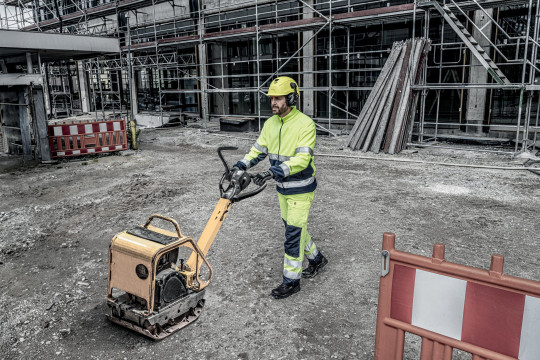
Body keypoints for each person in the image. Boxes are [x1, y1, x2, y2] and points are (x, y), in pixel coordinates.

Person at [233, 76, 328, 299]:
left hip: (301, 189)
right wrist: (241, 165)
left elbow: (302, 160)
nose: (273, 102)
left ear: (291, 98)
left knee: (293, 235)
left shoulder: (305, 124)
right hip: (282, 188)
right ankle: (316, 259)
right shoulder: (270, 124)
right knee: (293, 228)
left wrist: (270, 172)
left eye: (278, 98)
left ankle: (291, 281)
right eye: (272, 98)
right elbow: (258, 150)